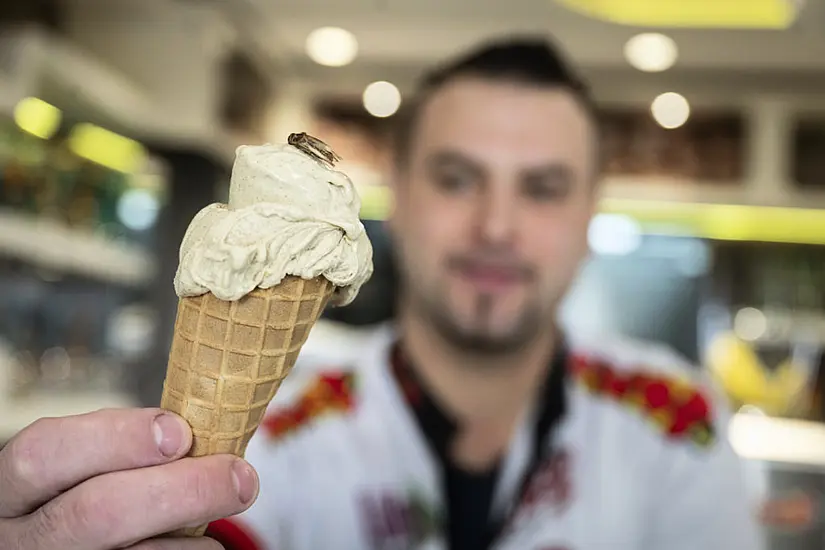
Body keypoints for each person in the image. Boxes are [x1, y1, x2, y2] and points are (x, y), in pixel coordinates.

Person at [0, 36, 763, 550]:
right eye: (457, 178)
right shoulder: (283, 436)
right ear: (397, 191)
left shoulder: (677, 426)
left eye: (543, 187)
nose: (496, 226)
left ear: (589, 211)